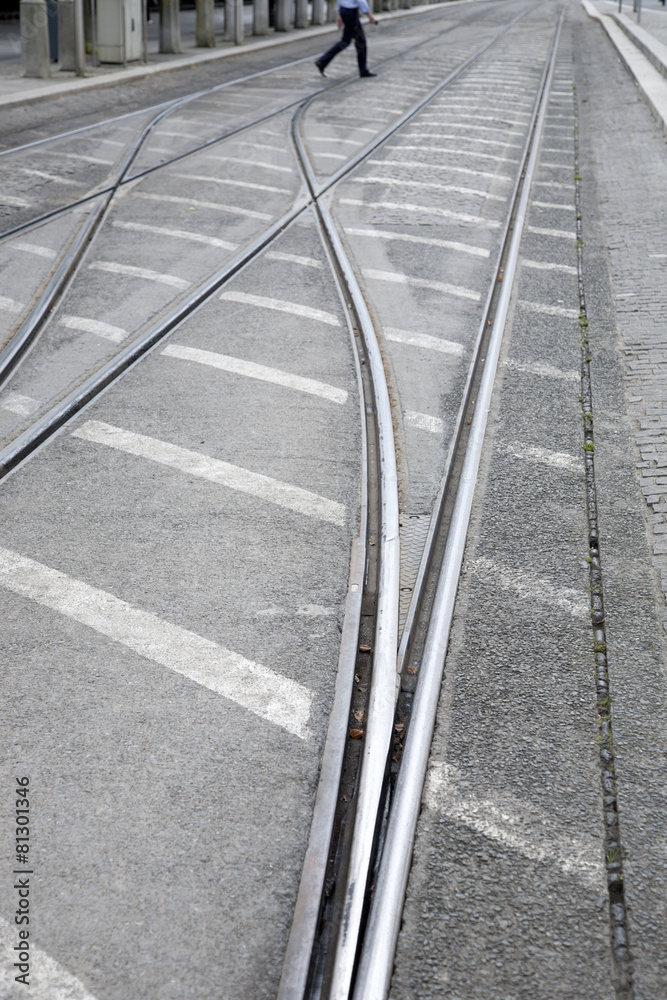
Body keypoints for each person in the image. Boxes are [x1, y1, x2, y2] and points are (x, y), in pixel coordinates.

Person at [315, 0, 377, 79]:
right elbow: (361, 0)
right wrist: (369, 15)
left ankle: (363, 70)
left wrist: (340, 15)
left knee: (359, 41)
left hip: (345, 11)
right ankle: (322, 61)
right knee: (347, 41)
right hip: (351, 13)